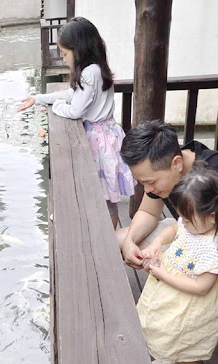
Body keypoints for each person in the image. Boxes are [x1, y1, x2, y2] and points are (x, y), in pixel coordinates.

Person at [118, 120, 218, 345]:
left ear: (177, 163)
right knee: (119, 239)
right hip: (193, 234)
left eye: (150, 183)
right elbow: (149, 214)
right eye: (142, 183)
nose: (147, 190)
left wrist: (177, 259)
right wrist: (130, 241)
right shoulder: (162, 170)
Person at [17, 17, 134, 229]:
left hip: (99, 142)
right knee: (107, 198)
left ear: (78, 49)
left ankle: (109, 242)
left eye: (64, 53)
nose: (63, 59)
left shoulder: (89, 73)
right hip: (108, 136)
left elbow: (75, 110)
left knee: (105, 199)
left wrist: (56, 107)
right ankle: (111, 240)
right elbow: (72, 94)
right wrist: (39, 98)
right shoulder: (97, 69)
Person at [137, 163, 218, 364]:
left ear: (212, 217)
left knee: (188, 342)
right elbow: (173, 230)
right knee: (172, 328)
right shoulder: (191, 222)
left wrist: (163, 274)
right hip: (176, 291)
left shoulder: (213, 248)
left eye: (188, 220)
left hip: (193, 303)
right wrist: (157, 244)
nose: (184, 223)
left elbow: (202, 287)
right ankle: (171, 361)